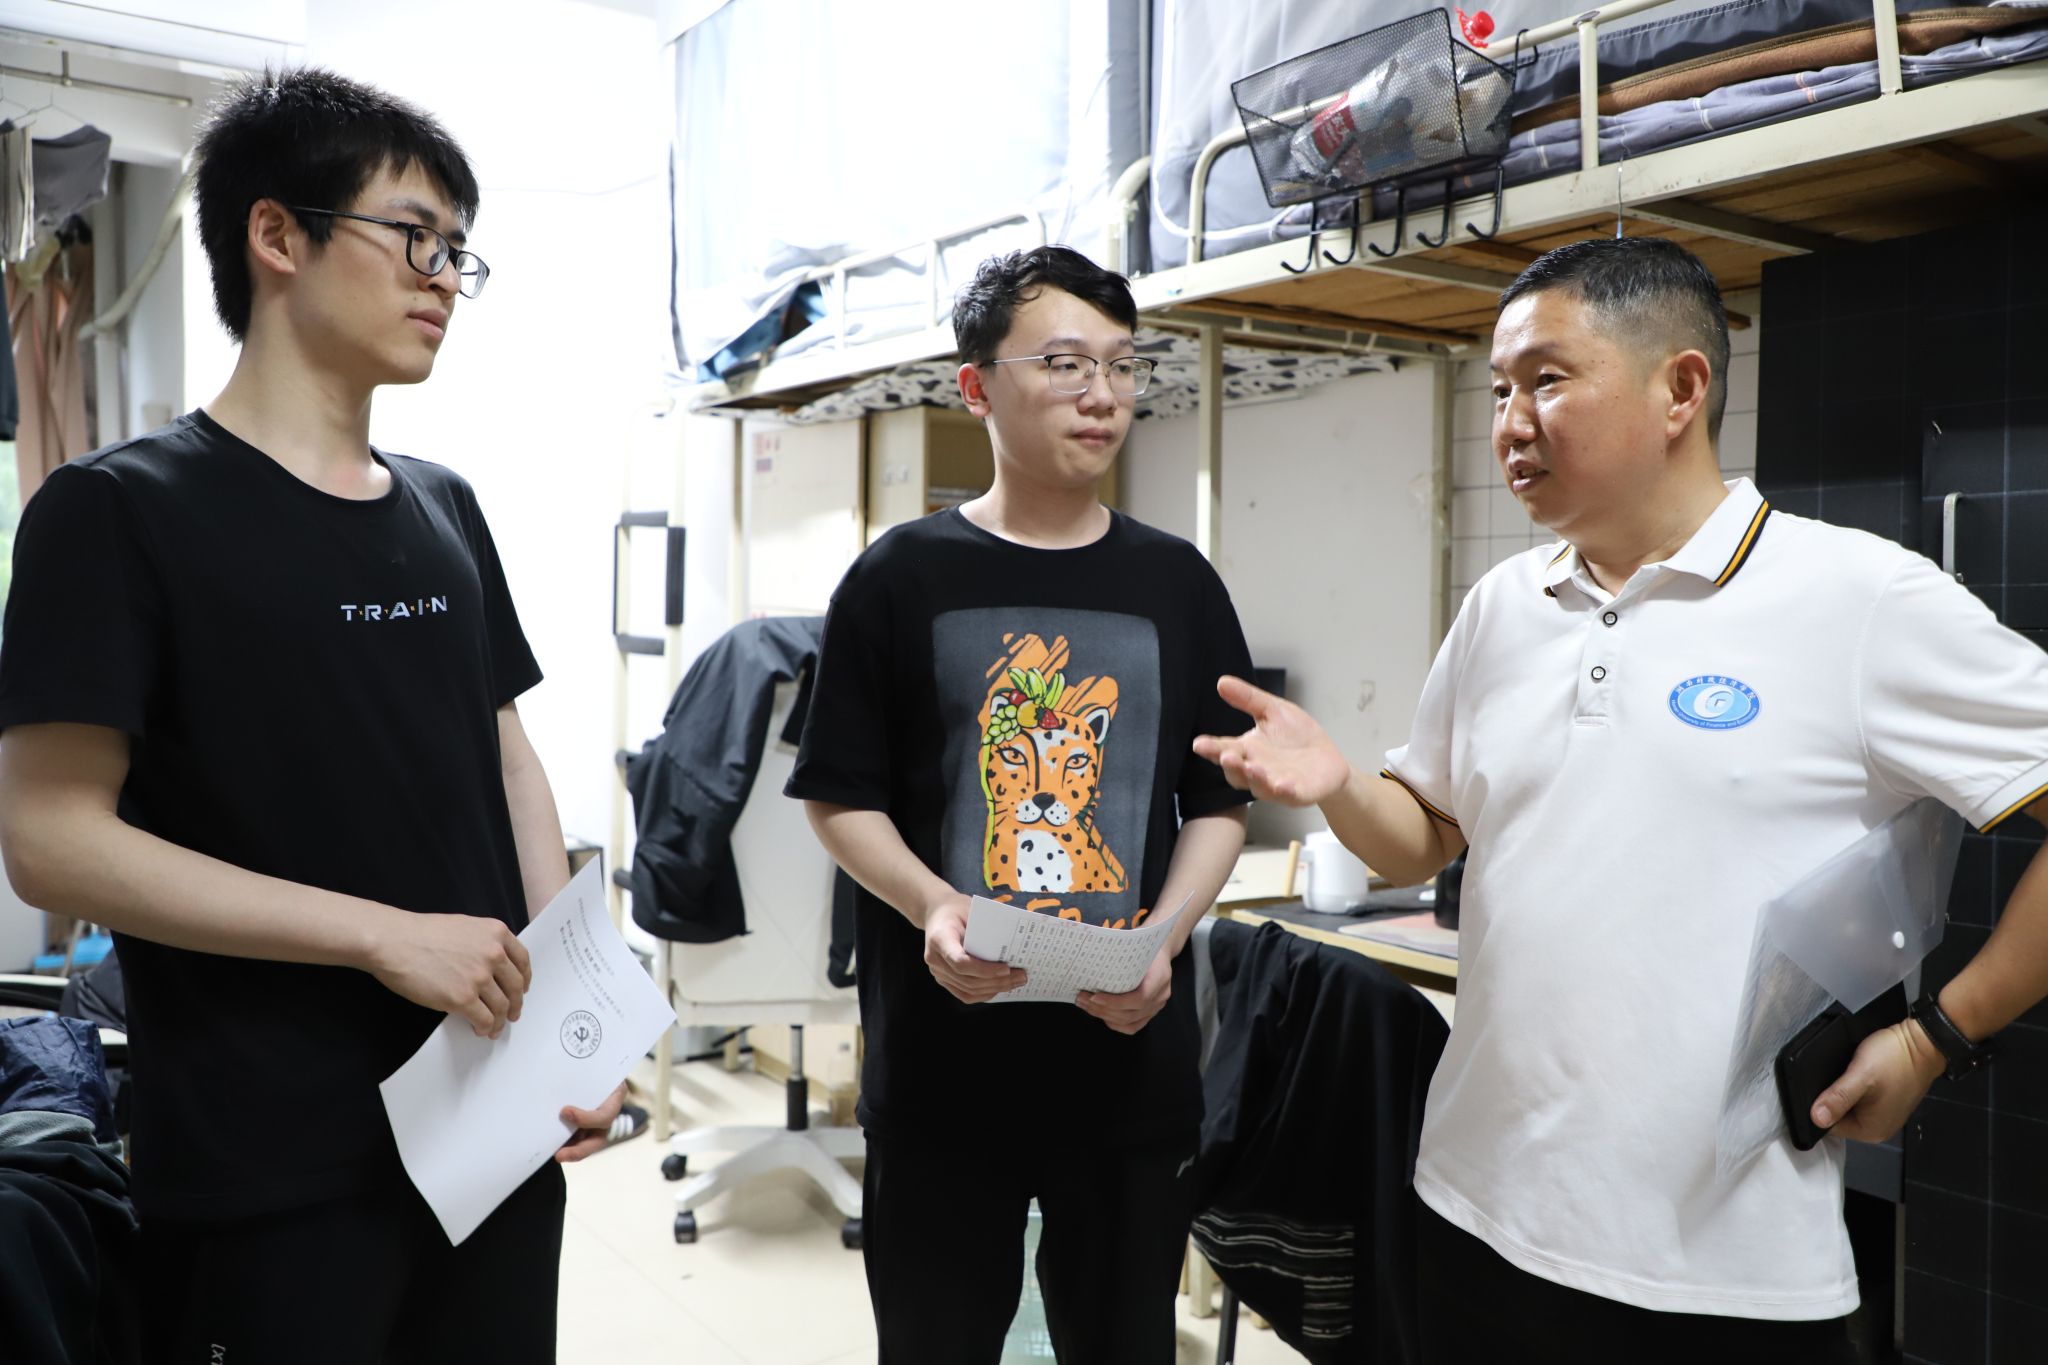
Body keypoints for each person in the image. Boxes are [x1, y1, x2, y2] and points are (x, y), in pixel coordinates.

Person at [1195, 236, 2048, 1363]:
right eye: (1498, 390)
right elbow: (1424, 835)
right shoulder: (1503, 603)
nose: (1510, 422)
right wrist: (1339, 784)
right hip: (1469, 1212)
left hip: (1724, 1275)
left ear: (1679, 389)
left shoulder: (1860, 599)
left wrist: (1937, 1035)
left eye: (1545, 380)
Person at [0, 69, 622, 1361]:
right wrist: (380, 938)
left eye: (458, 252)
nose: (443, 278)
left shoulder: (445, 505)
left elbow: (506, 760)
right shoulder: (117, 511)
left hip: (490, 1136)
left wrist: (582, 1019)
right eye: (413, 237)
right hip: (268, 1164)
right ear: (277, 235)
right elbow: (52, 841)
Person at [788, 245, 1254, 1364]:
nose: (1102, 394)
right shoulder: (898, 577)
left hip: (1127, 1075)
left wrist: (1164, 937)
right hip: (944, 1078)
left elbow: (1216, 800)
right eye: (1063, 363)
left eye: (1122, 366)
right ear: (977, 386)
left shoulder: (1179, 583)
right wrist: (932, 904)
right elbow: (838, 796)